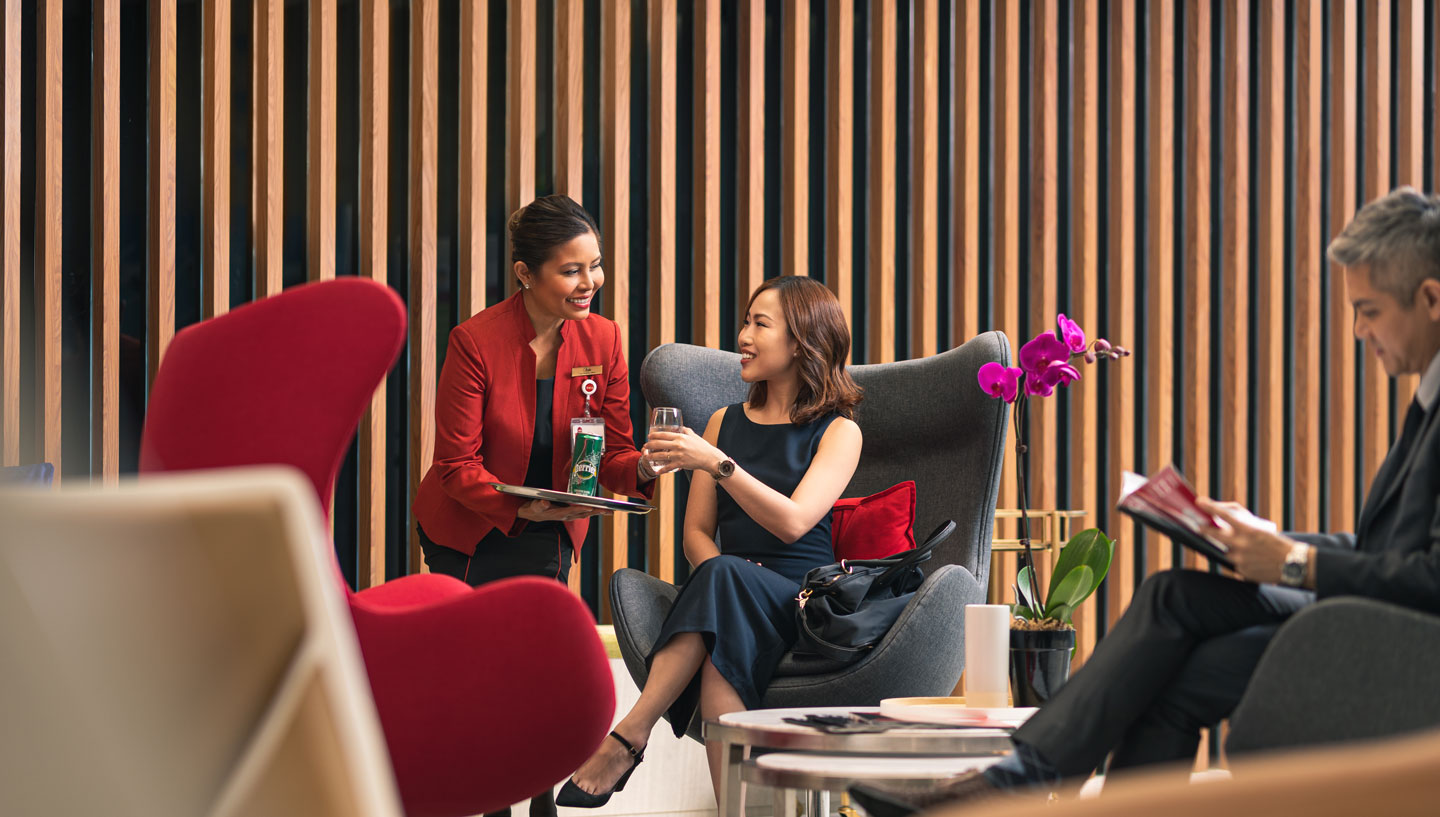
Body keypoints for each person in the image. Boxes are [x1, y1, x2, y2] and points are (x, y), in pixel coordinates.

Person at [851, 186, 1440, 816]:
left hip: (1397, 640)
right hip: (1367, 612)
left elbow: (1429, 576)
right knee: (1171, 599)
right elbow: (1386, 549)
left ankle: (1006, 786)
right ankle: (1014, 781)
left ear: (1431, 298)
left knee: (1177, 670)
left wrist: (1296, 563)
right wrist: (1264, 539)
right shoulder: (1427, 399)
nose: (1358, 330)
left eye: (1369, 311)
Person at [555, 276, 865, 808]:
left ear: (801, 342)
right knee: (723, 615)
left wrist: (718, 464)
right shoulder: (723, 421)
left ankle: (630, 733)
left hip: (800, 599)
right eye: (746, 320)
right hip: (729, 595)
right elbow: (696, 535)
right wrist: (723, 579)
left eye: (759, 324)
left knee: (723, 583)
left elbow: (793, 523)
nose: (742, 335)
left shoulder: (838, 432)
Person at [411, 194, 656, 817]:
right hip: (470, 531)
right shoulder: (475, 341)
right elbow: (455, 465)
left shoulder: (604, 338)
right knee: (483, 677)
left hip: (550, 533)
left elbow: (614, 453)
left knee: (538, 675)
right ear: (526, 273)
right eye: (571, 270)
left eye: (594, 266)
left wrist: (647, 467)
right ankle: (488, 801)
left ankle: (537, 800)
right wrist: (519, 512)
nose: (589, 282)